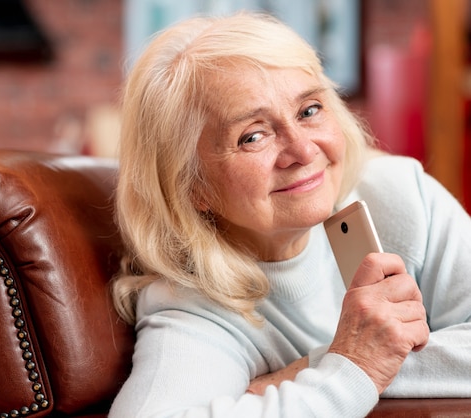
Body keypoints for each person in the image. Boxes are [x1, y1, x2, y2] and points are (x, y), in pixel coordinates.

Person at [109, 12, 471, 418]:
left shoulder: (400, 196)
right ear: (192, 187)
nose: (303, 150)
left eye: (309, 110)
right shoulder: (194, 305)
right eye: (253, 136)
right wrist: (353, 368)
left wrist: (307, 370)